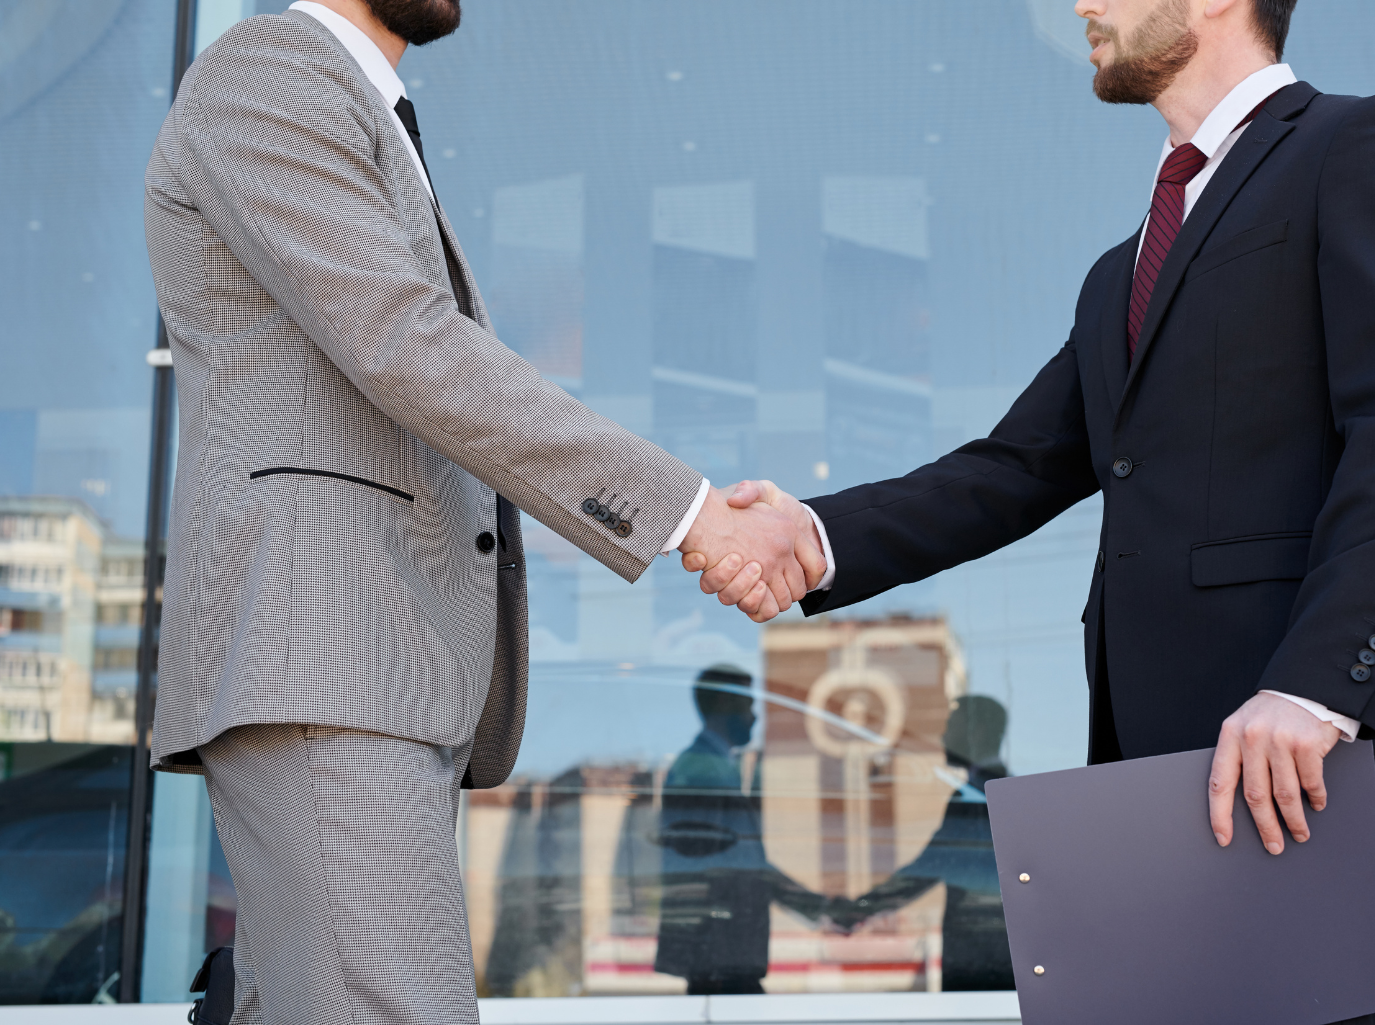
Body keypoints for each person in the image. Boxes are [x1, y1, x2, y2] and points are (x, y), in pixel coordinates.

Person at [693, 1, 1375, 1020]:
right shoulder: (1126, 268)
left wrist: (1318, 684)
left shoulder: (1363, 141)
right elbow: (1014, 467)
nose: (1082, 6)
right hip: (1149, 761)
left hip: (1289, 745)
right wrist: (814, 535)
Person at [141, 0, 823, 1021]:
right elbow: (405, 341)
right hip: (326, 647)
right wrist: (690, 513)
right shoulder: (270, 69)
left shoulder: (364, 108)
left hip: (381, 664)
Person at [652, 666, 827, 994]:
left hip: (721, 957)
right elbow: (719, 864)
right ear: (723, 703)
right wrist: (819, 906)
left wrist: (815, 905)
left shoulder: (714, 767)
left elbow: (738, 862)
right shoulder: (702, 770)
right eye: (748, 704)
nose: (754, 717)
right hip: (717, 956)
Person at [828, 696, 1014, 992]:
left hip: (982, 952)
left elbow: (930, 866)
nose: (942, 737)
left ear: (976, 732)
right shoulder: (999, 791)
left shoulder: (980, 797)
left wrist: (860, 907)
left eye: (950, 727)